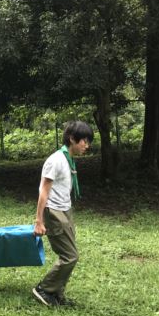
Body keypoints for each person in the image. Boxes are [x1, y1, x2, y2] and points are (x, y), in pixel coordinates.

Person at [32, 121, 94, 306]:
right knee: (70, 256)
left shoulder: (68, 159)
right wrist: (39, 220)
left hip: (65, 210)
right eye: (84, 141)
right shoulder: (56, 160)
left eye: (88, 141)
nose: (87, 145)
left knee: (69, 255)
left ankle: (56, 294)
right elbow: (43, 190)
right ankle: (44, 289)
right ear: (71, 139)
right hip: (55, 212)